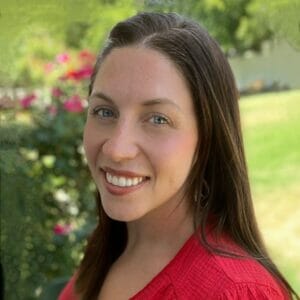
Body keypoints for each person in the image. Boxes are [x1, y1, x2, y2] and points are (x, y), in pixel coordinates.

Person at [59, 12, 298, 300]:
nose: (116, 149)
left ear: (208, 138)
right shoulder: (106, 254)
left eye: (158, 119)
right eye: (104, 111)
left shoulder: (232, 291)